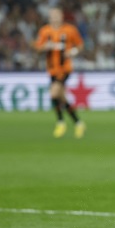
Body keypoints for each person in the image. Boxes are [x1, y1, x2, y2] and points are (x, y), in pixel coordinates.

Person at [34, 7, 86, 138]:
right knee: (61, 98)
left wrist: (71, 52)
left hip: (65, 69)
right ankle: (78, 123)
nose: (55, 17)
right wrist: (45, 46)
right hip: (52, 69)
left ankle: (60, 122)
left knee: (53, 93)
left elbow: (80, 45)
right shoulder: (45, 31)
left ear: (62, 16)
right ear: (49, 17)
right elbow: (38, 48)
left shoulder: (70, 30)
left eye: (57, 15)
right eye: (53, 15)